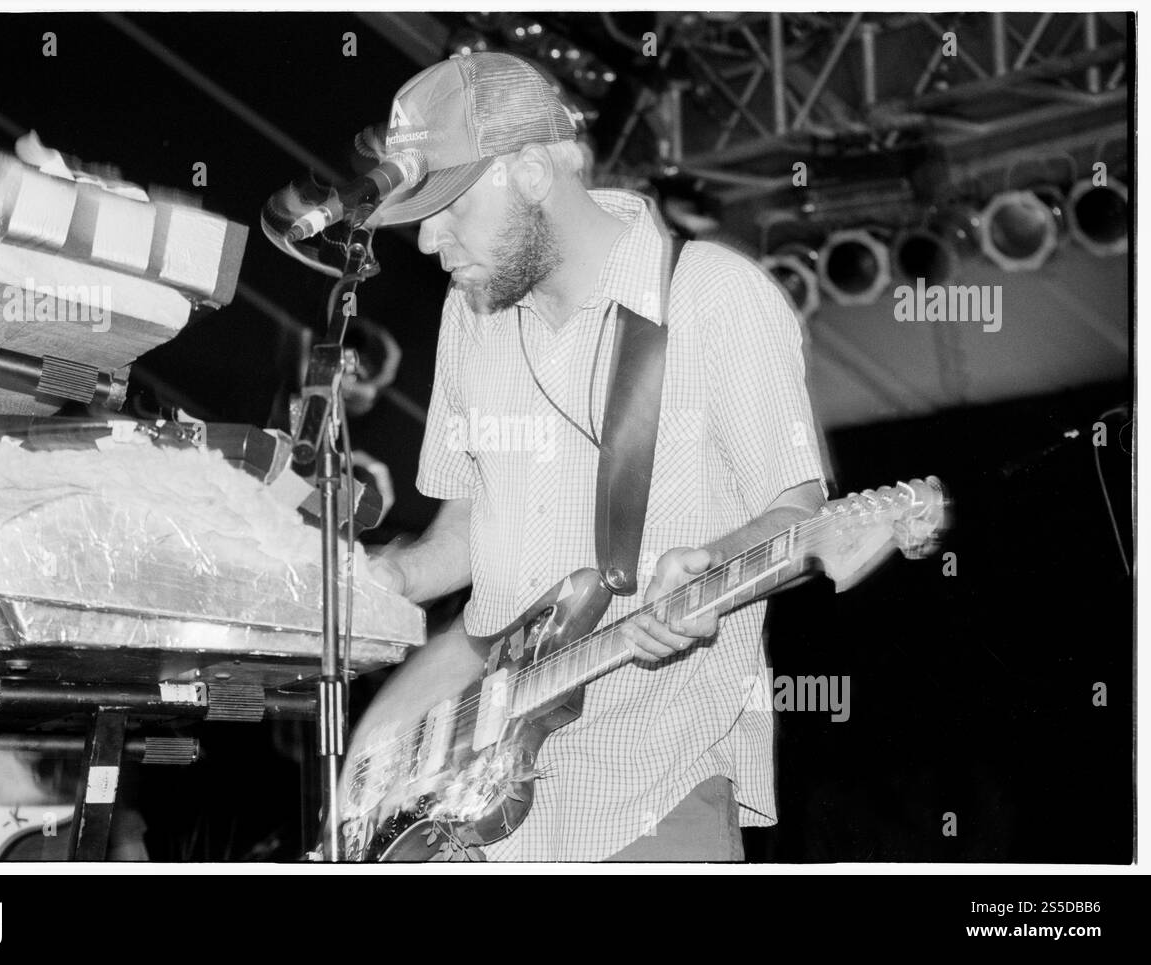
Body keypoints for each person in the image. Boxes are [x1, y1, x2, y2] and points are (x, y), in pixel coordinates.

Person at [353, 51, 826, 861]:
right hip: (484, 804)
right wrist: (389, 578)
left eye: (448, 207)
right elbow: (467, 532)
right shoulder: (472, 317)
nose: (428, 239)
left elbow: (799, 514)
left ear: (532, 169)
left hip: (649, 790)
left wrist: (709, 563)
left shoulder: (711, 296)